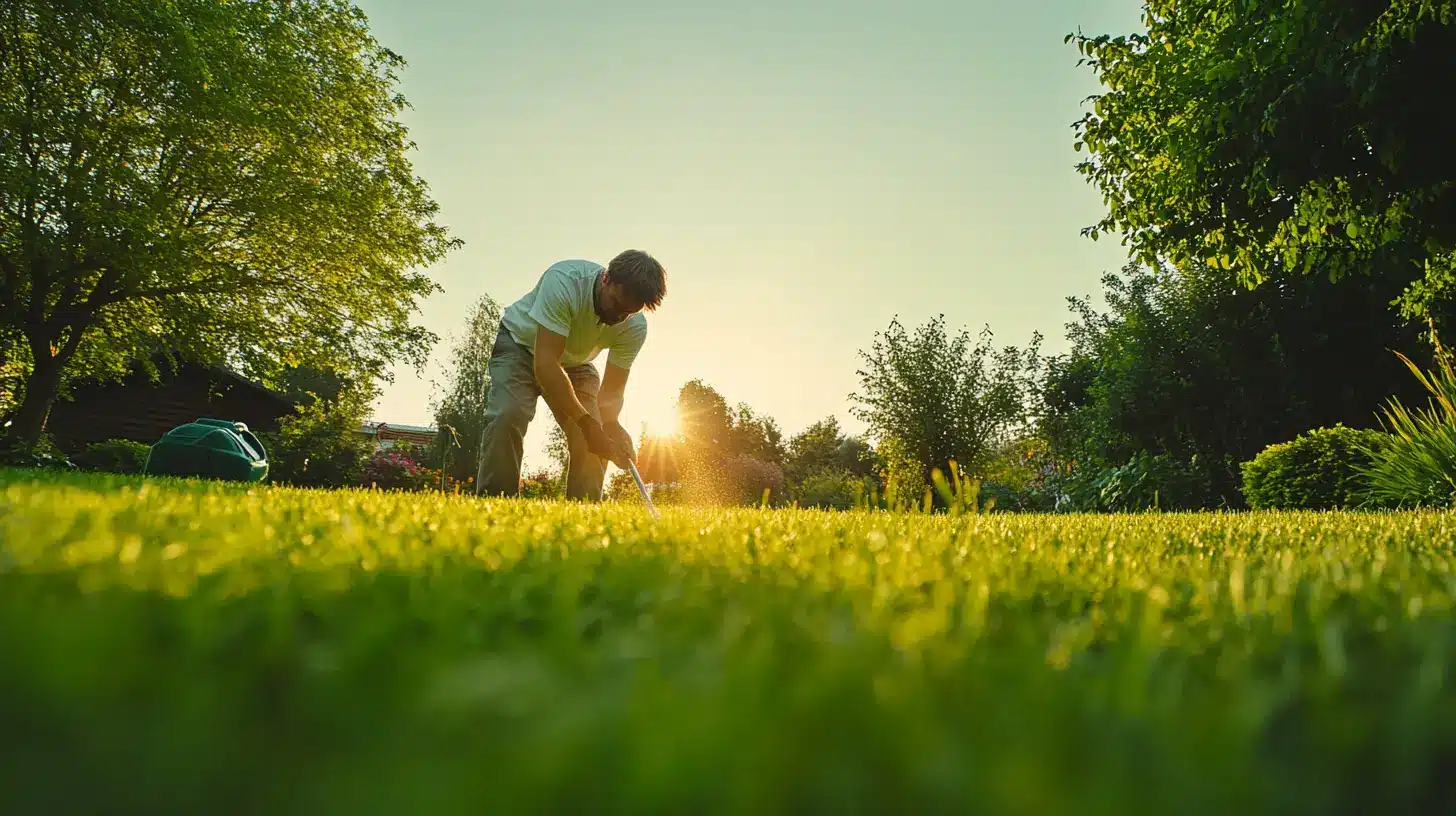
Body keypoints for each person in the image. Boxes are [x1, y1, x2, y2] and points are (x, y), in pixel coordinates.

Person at [475, 250, 667, 500]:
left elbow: (611, 392)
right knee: (509, 414)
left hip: (575, 363)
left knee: (596, 437)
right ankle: (495, 503)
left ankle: (583, 515)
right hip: (520, 347)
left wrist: (611, 425)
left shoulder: (634, 328)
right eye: (617, 304)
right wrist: (587, 424)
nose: (619, 317)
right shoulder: (564, 281)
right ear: (607, 279)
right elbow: (546, 365)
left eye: (628, 312)